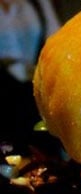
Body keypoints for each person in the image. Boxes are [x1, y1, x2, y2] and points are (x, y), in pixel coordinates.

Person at [1, 0, 60, 142]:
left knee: (44, 150)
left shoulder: (39, 3)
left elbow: (56, 41)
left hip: (33, 91)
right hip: (2, 95)